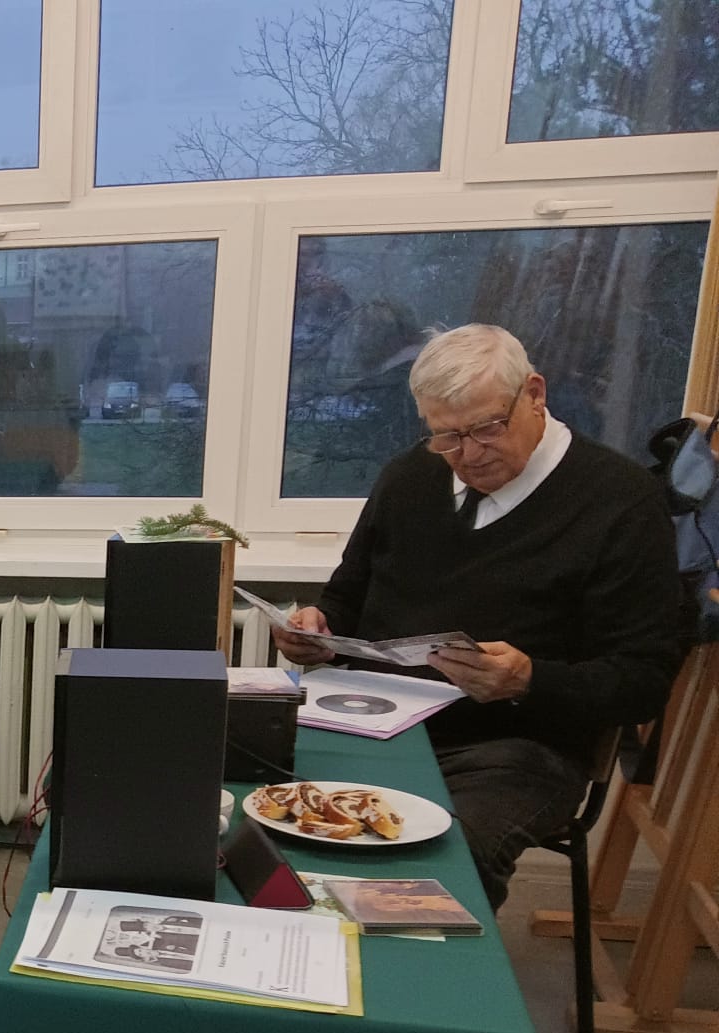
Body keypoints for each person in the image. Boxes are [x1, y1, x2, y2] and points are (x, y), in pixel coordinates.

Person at [275, 324, 682, 909]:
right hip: (369, 722)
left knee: (447, 861)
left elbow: (642, 680)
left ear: (535, 394)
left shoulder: (621, 502)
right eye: (446, 436)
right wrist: (318, 630)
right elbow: (346, 598)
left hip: (514, 747)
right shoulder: (410, 476)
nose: (467, 454)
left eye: (487, 428)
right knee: (256, 802)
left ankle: (411, 967)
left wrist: (528, 680)